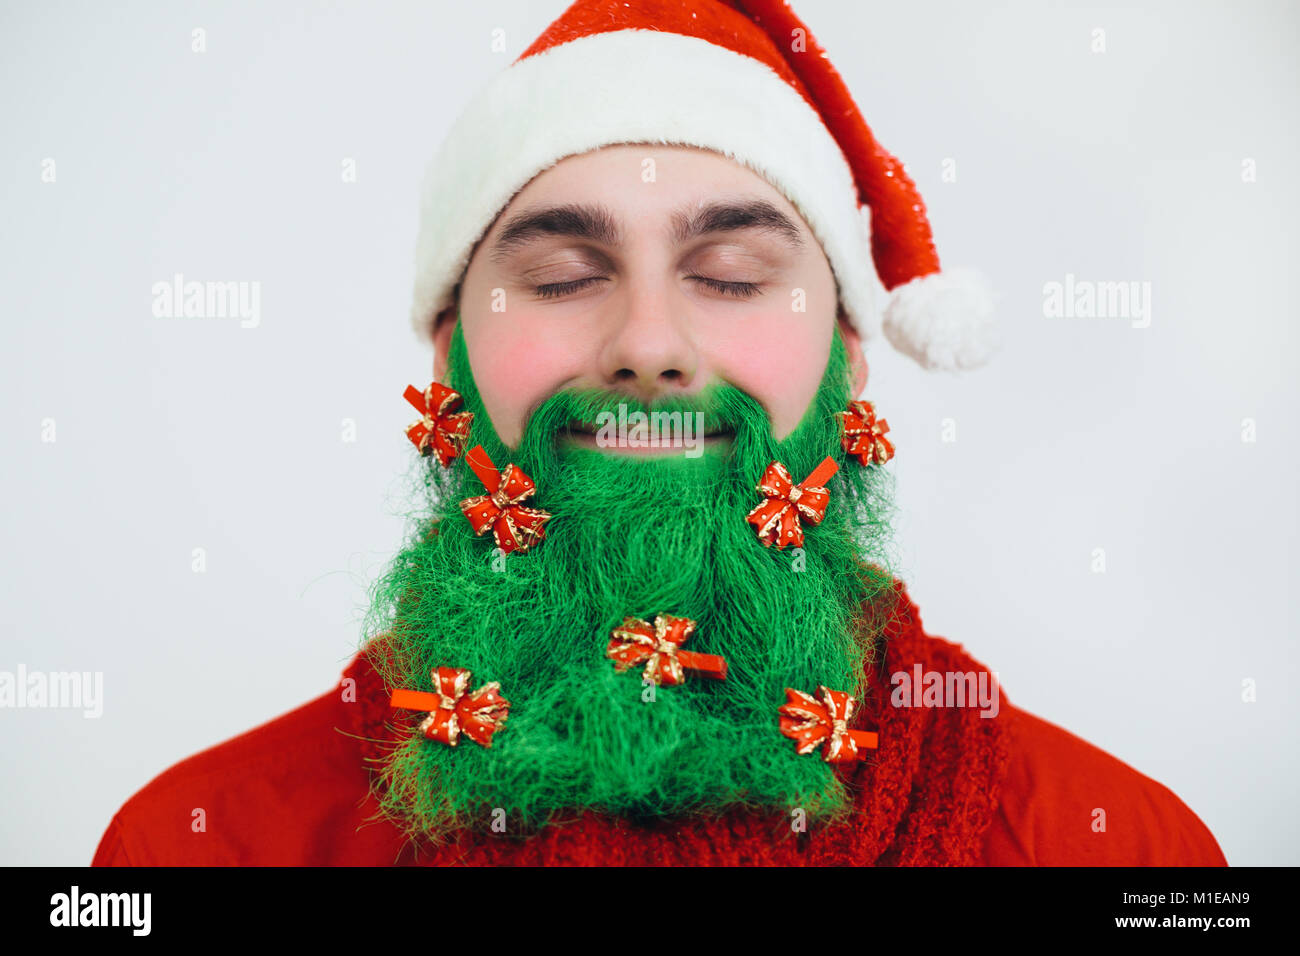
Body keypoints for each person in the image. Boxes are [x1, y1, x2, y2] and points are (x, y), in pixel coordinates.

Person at [92, 0, 1226, 866]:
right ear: (448, 356)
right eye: (562, 275)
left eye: (730, 276)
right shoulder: (201, 844)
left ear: (850, 355)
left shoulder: (1120, 848)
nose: (649, 342)